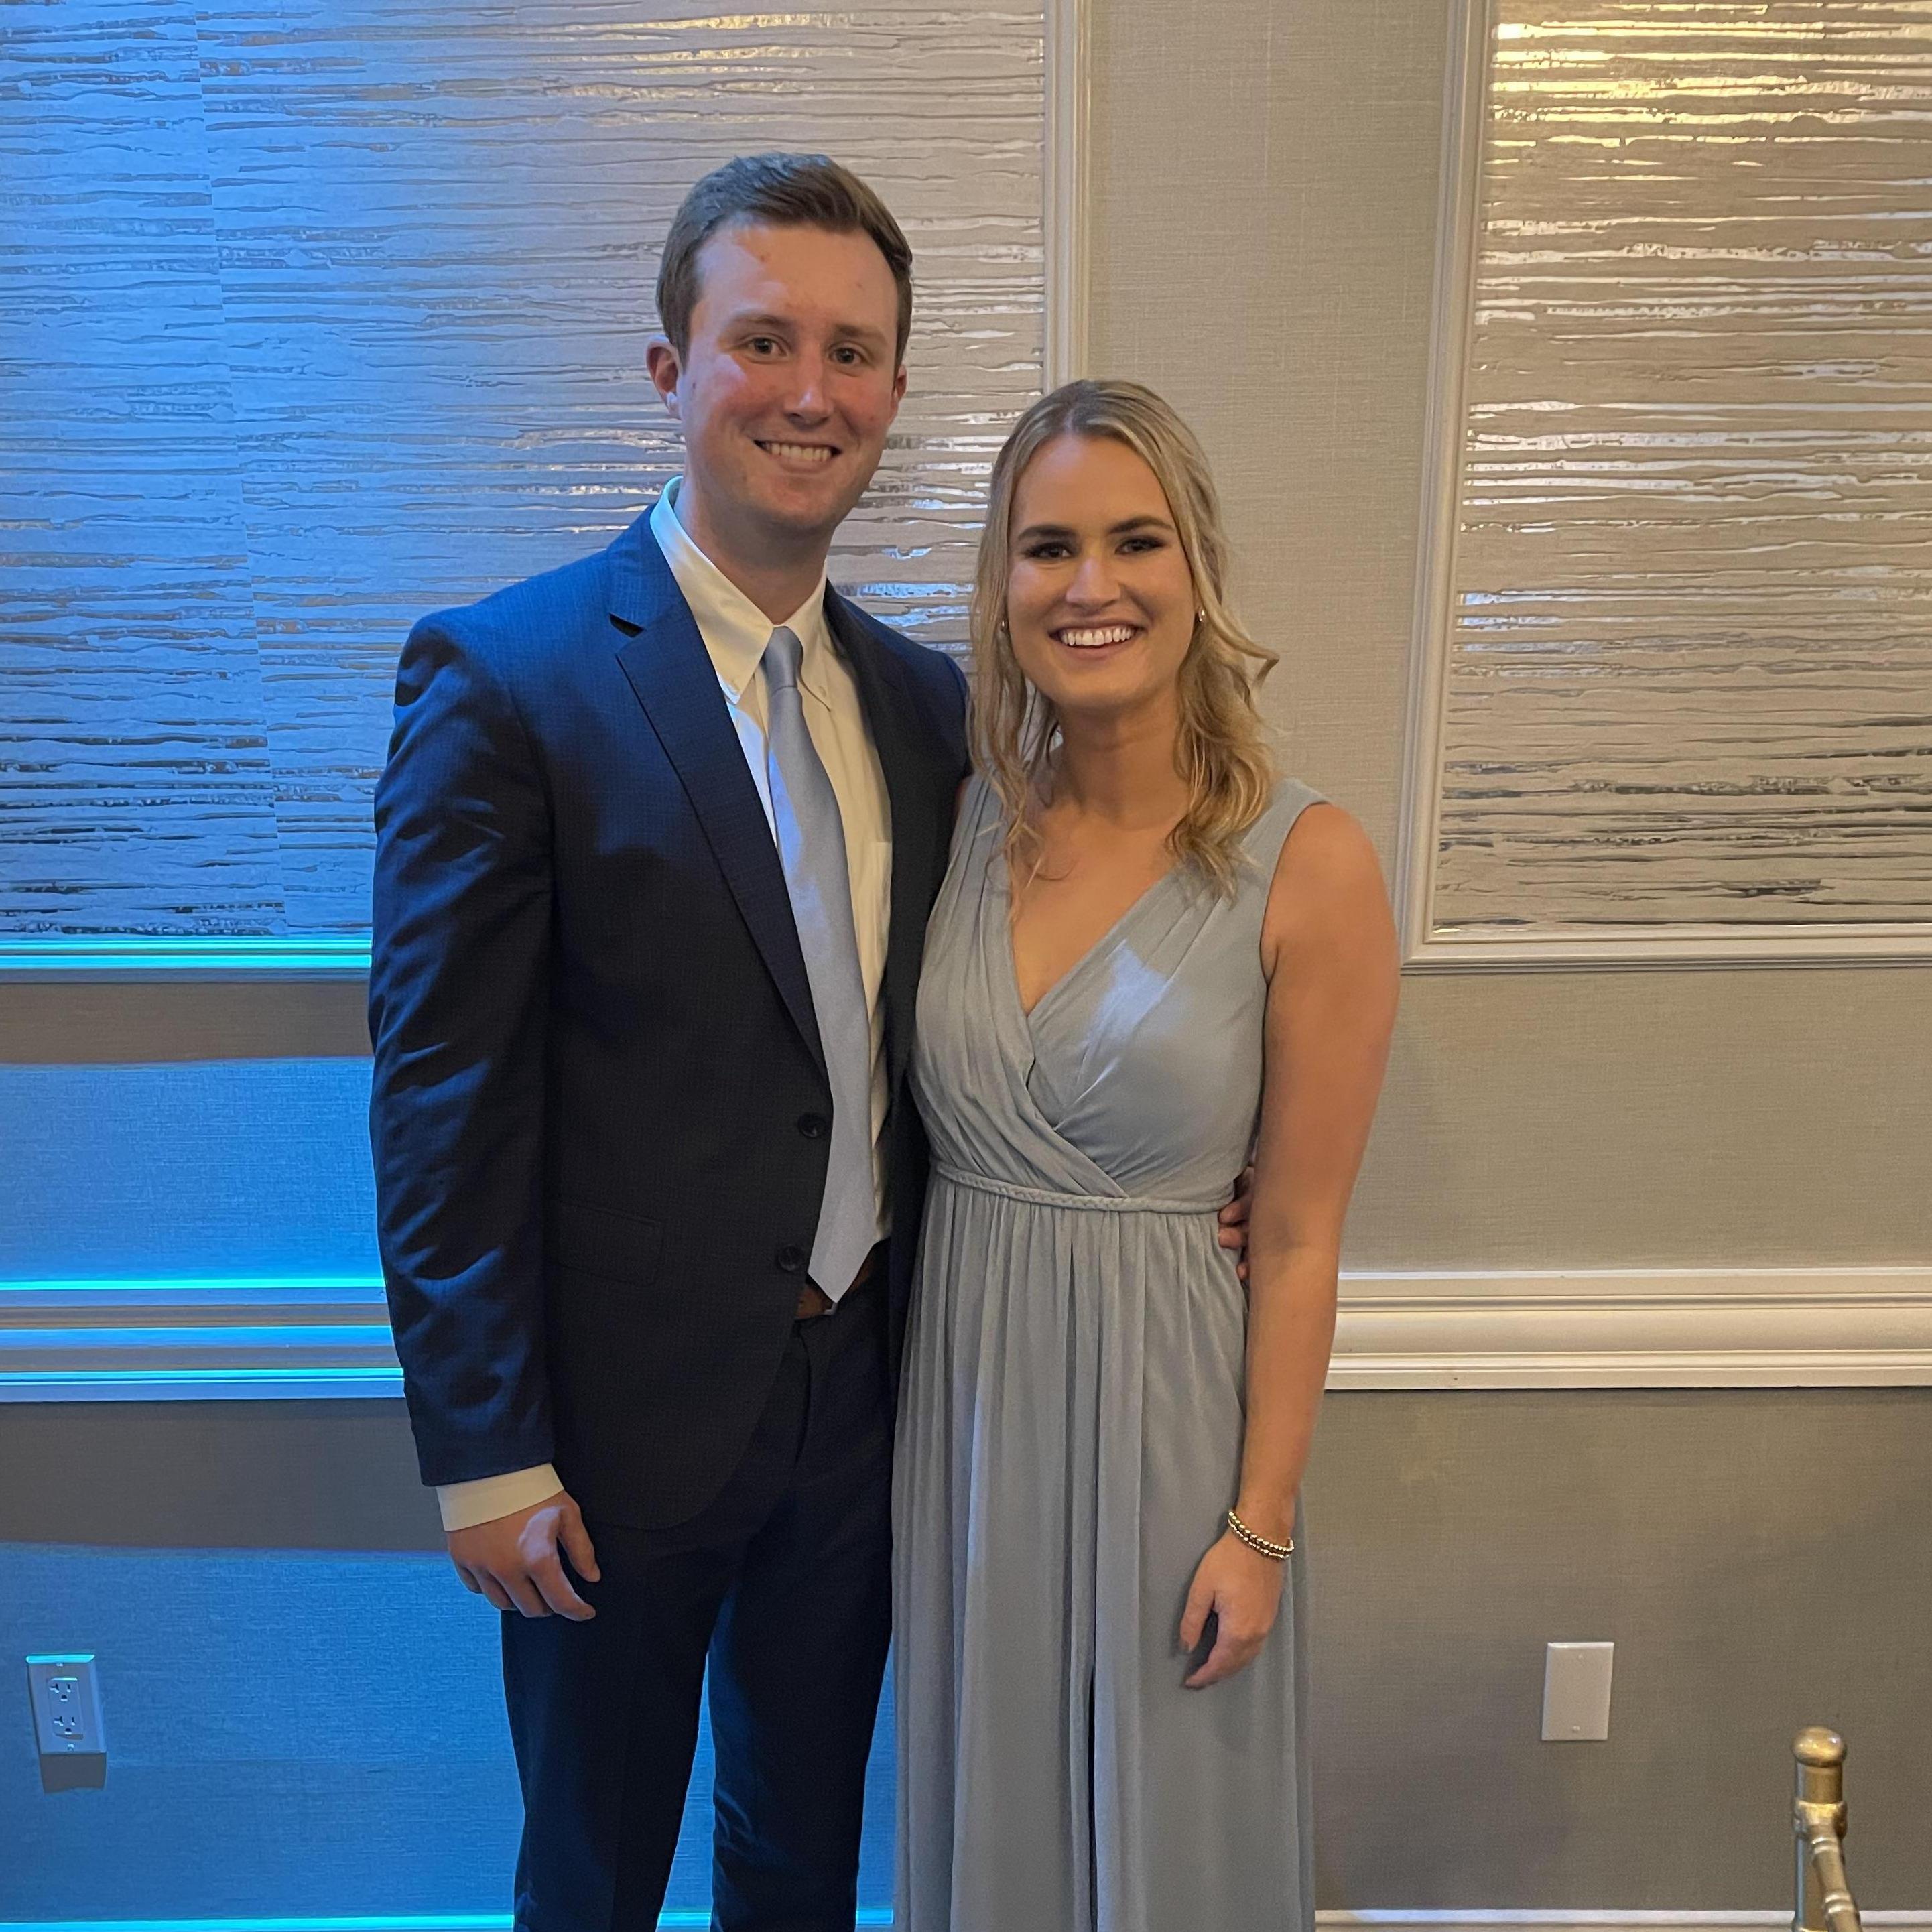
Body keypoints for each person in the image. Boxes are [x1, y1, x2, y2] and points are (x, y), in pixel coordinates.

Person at [366, 154, 966, 1929]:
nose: (809, 391)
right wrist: (484, 1448)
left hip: (861, 1407)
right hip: (607, 1438)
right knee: (595, 1871)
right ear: (669, 368)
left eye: (851, 351)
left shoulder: (927, 705)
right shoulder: (507, 676)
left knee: (802, 1859)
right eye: (762, 340)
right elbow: (441, 1098)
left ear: (893, 391)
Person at [893, 379, 1401, 1932]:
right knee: (991, 1818)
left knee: (1169, 1832)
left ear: (1197, 568)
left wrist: (1260, 1522)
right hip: (967, 1426)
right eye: (1047, 546)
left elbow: (1297, 1234)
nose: (1089, 585)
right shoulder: (958, 824)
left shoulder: (1308, 864)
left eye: (1134, 539)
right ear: (1001, 583)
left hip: (1174, 1433)